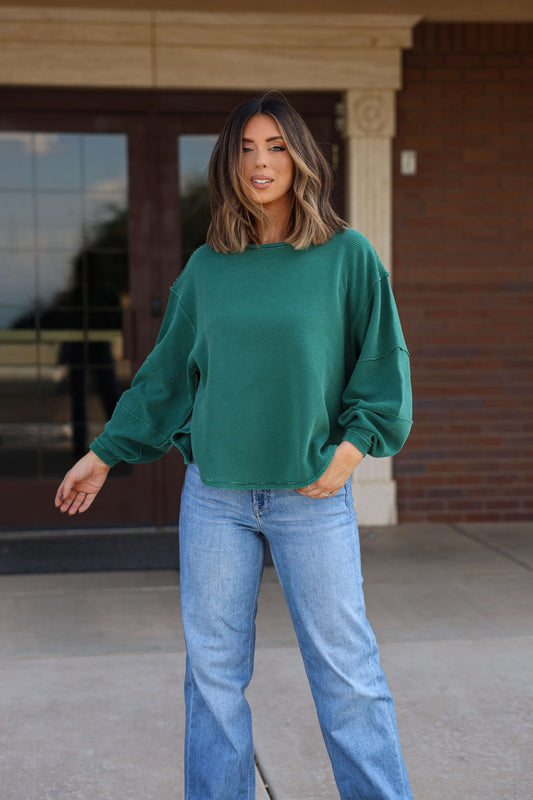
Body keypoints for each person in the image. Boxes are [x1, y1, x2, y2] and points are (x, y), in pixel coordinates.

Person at [55, 91, 413, 800]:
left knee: (346, 675)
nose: (259, 161)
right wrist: (105, 452)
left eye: (275, 145)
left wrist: (348, 453)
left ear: (300, 158)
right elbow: (164, 378)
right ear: (228, 162)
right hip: (216, 498)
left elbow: (382, 367)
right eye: (246, 148)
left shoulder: (346, 257)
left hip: (310, 496)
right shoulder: (208, 267)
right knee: (213, 679)